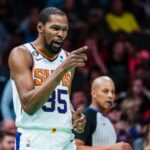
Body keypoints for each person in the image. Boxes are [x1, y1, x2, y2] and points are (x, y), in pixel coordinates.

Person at [8, 7, 87, 150]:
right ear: (40, 28)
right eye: (55, 28)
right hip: (35, 138)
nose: (61, 34)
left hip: (65, 138)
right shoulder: (21, 54)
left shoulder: (67, 59)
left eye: (65, 30)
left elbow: (63, 98)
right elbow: (29, 106)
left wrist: (73, 116)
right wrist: (61, 70)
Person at [74, 76, 132, 150]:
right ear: (94, 93)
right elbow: (75, 147)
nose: (110, 95)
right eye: (105, 91)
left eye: (113, 92)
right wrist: (110, 148)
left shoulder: (107, 120)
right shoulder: (85, 115)